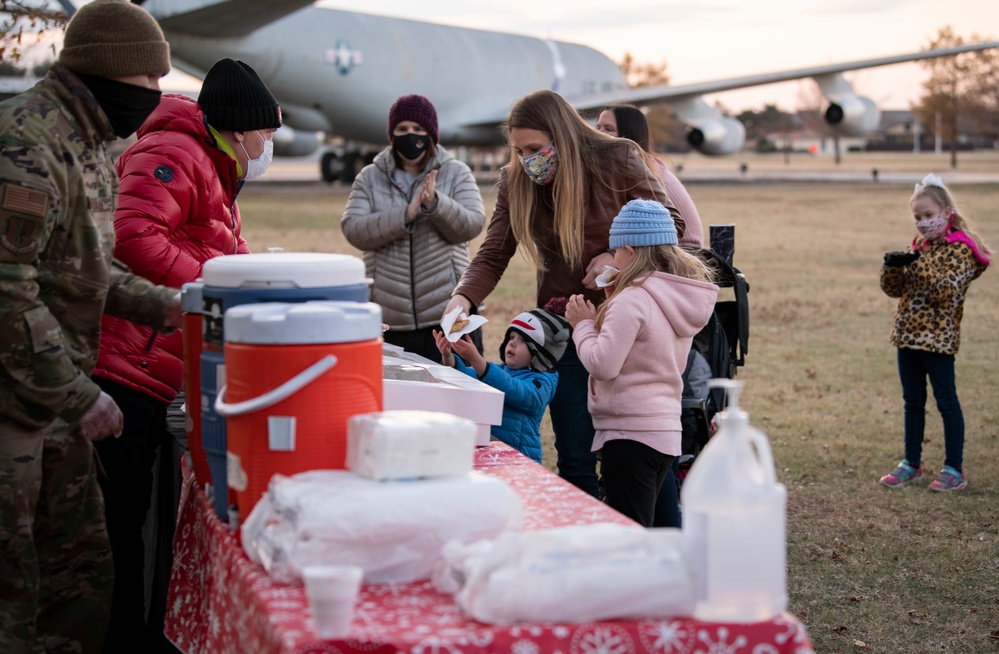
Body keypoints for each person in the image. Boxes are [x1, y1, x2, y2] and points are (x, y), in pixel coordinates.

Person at [0, 1, 181, 651]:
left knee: (81, 582)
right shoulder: (26, 141)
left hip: (53, 404)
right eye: (150, 80)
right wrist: (80, 396)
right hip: (18, 408)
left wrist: (168, 305)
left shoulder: (93, 140)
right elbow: (8, 293)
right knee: (15, 593)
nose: (158, 95)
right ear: (107, 71)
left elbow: (80, 272)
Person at [90, 57, 281, 651]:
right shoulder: (175, 152)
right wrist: (215, 287)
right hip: (127, 365)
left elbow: (216, 247)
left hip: (158, 365)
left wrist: (260, 277)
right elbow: (134, 234)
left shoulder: (218, 169)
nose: (269, 145)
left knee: (141, 523)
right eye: (267, 134)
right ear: (241, 127)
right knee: (120, 531)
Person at [445, 89, 682, 498]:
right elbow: (493, 251)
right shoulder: (515, 179)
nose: (527, 160)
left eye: (535, 148)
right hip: (562, 332)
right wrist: (463, 297)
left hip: (626, 326)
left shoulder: (618, 159)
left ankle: (648, 538)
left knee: (635, 453)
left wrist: (615, 257)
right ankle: (583, 541)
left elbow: (670, 226)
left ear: (562, 136)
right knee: (574, 454)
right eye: (518, 151)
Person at [565, 199, 717, 526]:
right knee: (660, 531)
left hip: (629, 434)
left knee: (631, 535)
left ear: (629, 253)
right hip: (664, 432)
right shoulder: (672, 298)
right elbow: (647, 352)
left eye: (614, 250)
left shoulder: (632, 300)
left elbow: (602, 364)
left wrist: (583, 325)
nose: (612, 257)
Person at [342, 94, 486, 363]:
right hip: (390, 320)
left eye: (418, 130)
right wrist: (404, 215)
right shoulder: (370, 177)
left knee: (458, 395)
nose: (411, 136)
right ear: (391, 134)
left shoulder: (456, 172)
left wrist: (436, 204)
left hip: (448, 314)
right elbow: (353, 228)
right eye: (402, 130)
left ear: (431, 134)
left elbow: (473, 224)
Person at [878, 173, 990, 493]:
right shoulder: (919, 247)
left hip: (938, 341)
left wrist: (917, 263)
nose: (923, 223)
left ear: (946, 213)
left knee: (947, 402)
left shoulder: (961, 251)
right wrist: (893, 267)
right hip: (907, 336)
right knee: (912, 402)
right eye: (917, 217)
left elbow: (946, 290)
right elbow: (895, 290)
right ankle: (911, 463)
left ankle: (954, 468)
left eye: (928, 216)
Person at [434, 309, 569, 463]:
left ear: (540, 353)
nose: (512, 342)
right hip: (493, 453)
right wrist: (448, 356)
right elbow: (469, 378)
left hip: (520, 460)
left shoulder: (542, 381)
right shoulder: (502, 370)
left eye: (523, 340)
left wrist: (476, 359)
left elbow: (516, 391)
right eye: (511, 337)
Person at [595, 103, 704, 247]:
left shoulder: (645, 174)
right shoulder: (625, 168)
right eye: (598, 128)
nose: (600, 134)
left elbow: (666, 234)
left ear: (628, 134)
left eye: (609, 129)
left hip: (682, 251)